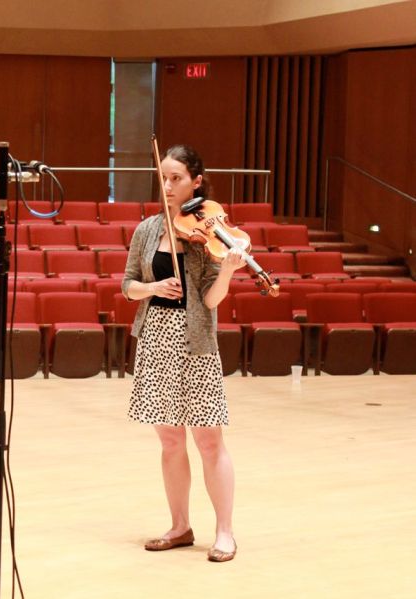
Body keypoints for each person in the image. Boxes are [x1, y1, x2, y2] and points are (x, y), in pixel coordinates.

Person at [122, 145, 244, 562]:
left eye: (176, 178)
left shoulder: (208, 234)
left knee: (209, 440)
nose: (168, 186)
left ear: (197, 182)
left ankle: (224, 532)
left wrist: (227, 271)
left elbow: (210, 301)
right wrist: (153, 288)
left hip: (195, 344)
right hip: (155, 340)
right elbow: (128, 286)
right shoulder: (147, 230)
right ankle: (180, 526)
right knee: (171, 440)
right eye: (163, 177)